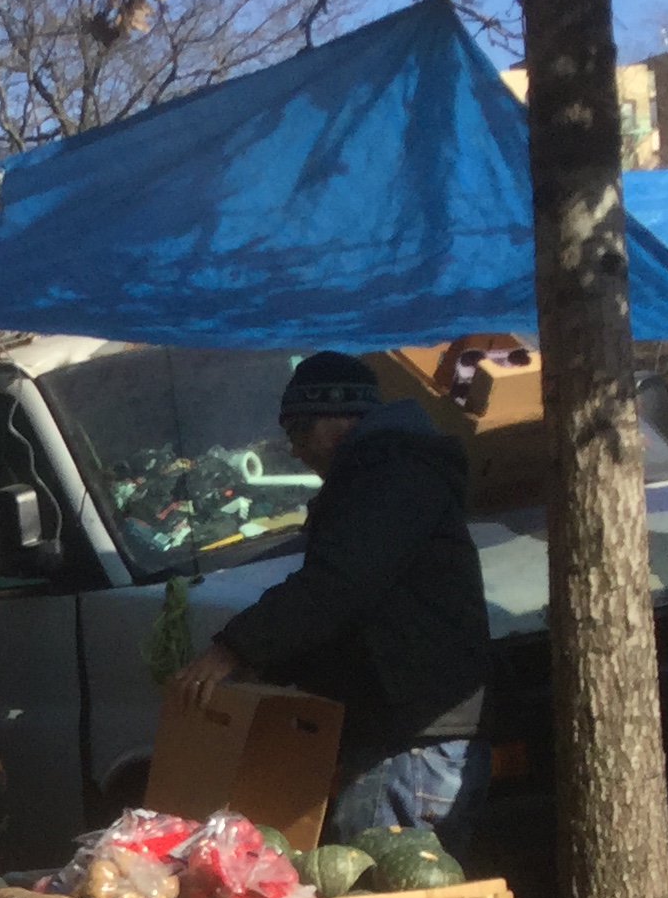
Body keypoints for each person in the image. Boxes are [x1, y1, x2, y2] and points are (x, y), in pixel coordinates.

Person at [175, 351, 492, 848]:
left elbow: (338, 585)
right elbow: (356, 611)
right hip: (410, 733)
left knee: (387, 891)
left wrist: (234, 648)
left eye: (300, 431)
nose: (296, 450)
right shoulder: (386, 472)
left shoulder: (391, 475)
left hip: (410, 741)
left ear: (339, 420)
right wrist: (273, 667)